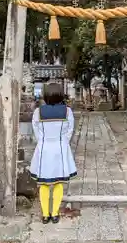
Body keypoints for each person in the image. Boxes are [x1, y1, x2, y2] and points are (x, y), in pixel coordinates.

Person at [29, 83, 77, 224]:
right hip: (60, 149)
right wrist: (62, 141)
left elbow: (36, 131)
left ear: (46, 96)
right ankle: (55, 214)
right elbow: (70, 131)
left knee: (43, 183)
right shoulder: (67, 112)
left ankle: (45, 215)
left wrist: (44, 141)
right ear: (61, 95)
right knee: (58, 182)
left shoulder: (39, 112)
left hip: (44, 148)